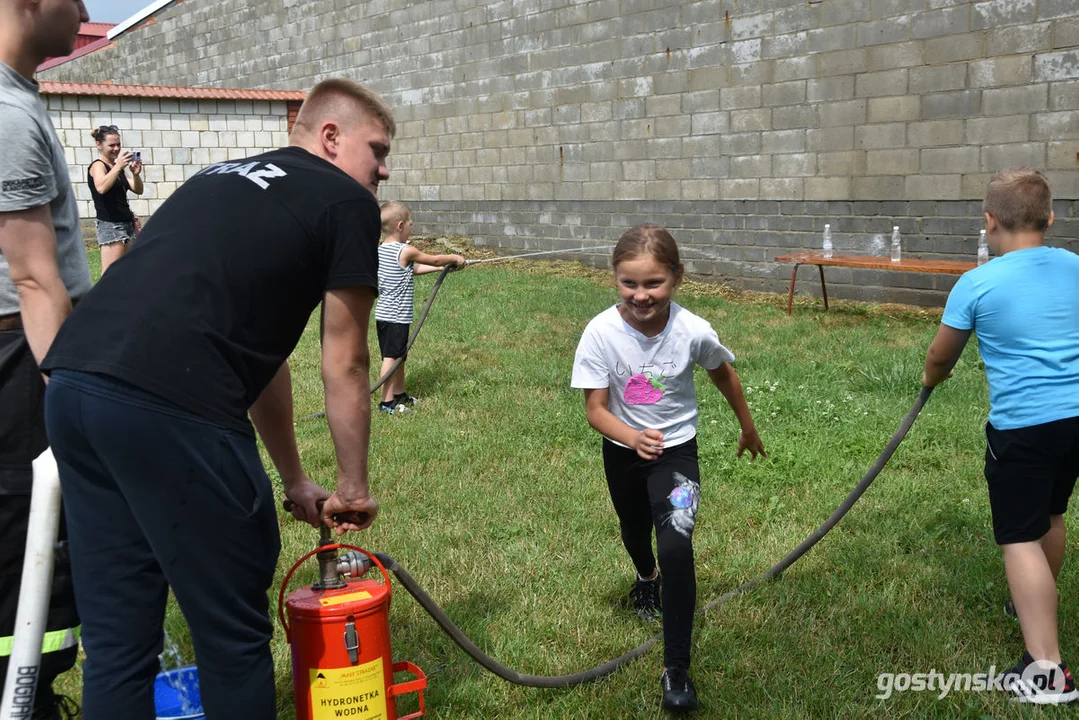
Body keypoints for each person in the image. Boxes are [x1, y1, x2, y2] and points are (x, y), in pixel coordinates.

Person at [39, 77, 392, 720]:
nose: (384, 170)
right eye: (378, 150)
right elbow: (346, 359)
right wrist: (353, 485)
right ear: (331, 137)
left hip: (75, 389)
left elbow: (263, 359)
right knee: (232, 638)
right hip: (172, 405)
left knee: (119, 642)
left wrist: (295, 478)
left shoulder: (217, 176)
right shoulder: (346, 202)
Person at [571, 224, 766, 712]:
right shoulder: (600, 332)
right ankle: (645, 578)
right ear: (615, 280)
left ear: (676, 277)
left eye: (653, 283)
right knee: (635, 532)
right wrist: (630, 436)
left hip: (676, 455)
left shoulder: (692, 331)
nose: (641, 295)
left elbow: (724, 374)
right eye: (629, 283)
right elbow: (595, 409)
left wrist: (747, 426)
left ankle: (676, 669)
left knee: (676, 543)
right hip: (623, 451)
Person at [922, 167, 1079, 705]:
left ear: (989, 221)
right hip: (1076, 420)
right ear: (1051, 217)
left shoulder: (979, 281)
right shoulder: (1076, 268)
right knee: (1052, 514)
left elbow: (942, 354)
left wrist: (930, 379)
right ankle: (1033, 601)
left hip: (1024, 427)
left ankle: (1048, 672)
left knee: (1018, 534)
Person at [0, 1, 91, 718]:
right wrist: (69, 396)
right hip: (19, 353)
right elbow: (33, 279)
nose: (86, 10)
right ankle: (25, 695)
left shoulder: (17, 99)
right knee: (28, 527)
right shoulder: (6, 112)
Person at [374, 201, 464, 414]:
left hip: (385, 315)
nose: (411, 229)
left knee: (399, 356)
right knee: (391, 357)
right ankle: (386, 404)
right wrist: (454, 258)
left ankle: (399, 393)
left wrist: (441, 268)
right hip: (396, 317)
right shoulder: (405, 250)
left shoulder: (382, 250)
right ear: (400, 225)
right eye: (410, 225)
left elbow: (411, 270)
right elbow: (433, 258)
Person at [88, 124, 143, 273]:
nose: (116, 149)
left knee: (128, 272)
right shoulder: (98, 166)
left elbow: (138, 190)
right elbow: (101, 187)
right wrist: (118, 167)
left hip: (127, 224)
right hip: (111, 226)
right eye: (111, 145)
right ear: (98, 144)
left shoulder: (116, 167)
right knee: (111, 275)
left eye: (118, 144)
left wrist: (136, 174)